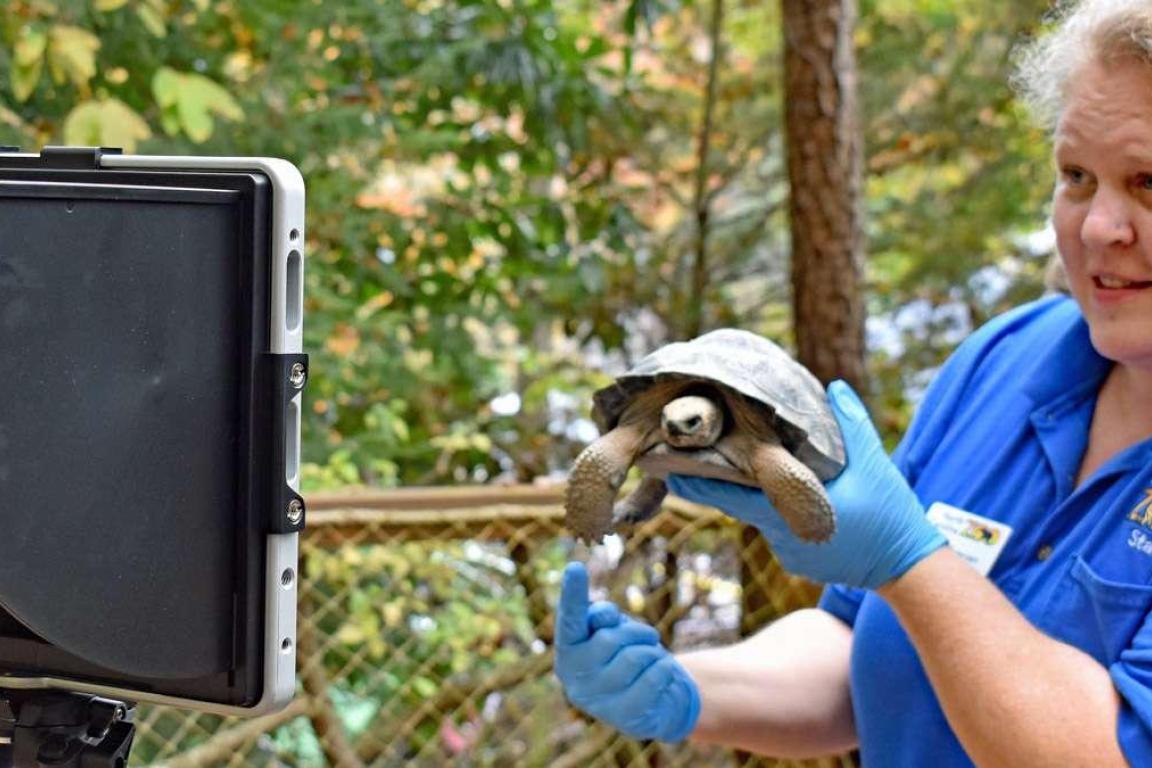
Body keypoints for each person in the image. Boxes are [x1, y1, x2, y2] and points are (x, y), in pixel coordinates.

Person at [553, 1, 1152, 765]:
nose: (1099, 226)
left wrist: (912, 565)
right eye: (1076, 176)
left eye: (1148, 182)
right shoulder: (1008, 359)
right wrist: (683, 687)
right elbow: (858, 643)